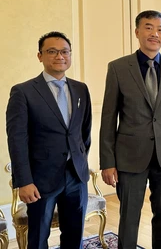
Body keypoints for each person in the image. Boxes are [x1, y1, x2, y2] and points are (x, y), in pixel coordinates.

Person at [100, 10, 161, 249]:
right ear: (137, 32)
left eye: (160, 29)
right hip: (130, 156)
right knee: (129, 216)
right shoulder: (118, 68)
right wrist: (107, 162)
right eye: (149, 27)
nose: (155, 33)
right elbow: (109, 117)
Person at [6, 31, 92, 249]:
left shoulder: (81, 89)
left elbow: (84, 132)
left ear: (70, 55)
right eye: (52, 51)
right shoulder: (23, 92)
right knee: (38, 237)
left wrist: (81, 163)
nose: (59, 56)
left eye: (64, 51)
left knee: (74, 235)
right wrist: (24, 181)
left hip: (75, 176)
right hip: (40, 179)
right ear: (40, 56)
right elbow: (17, 140)